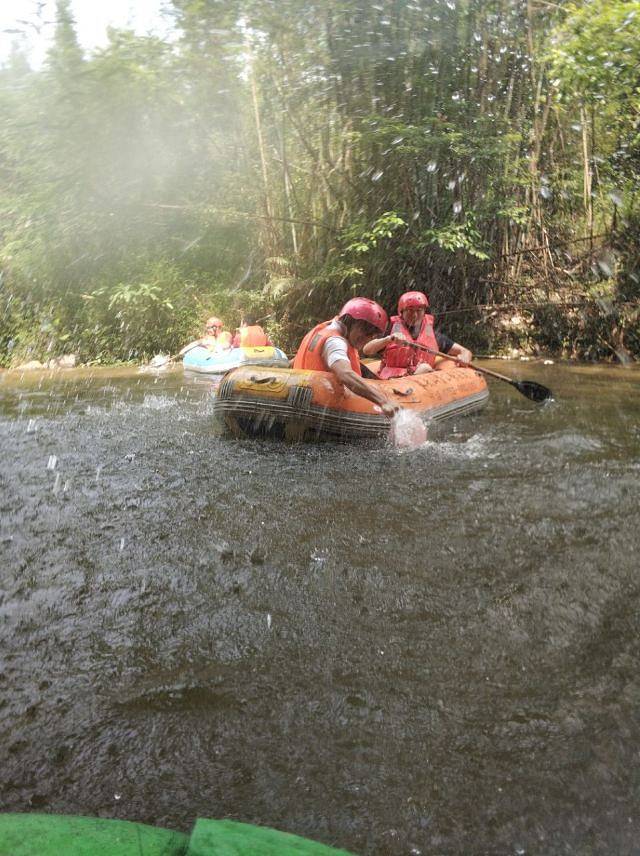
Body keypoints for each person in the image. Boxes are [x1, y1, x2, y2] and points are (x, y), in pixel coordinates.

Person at [293, 297, 398, 417]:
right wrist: (383, 401)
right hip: (319, 409)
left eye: (372, 335)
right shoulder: (335, 342)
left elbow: (296, 361)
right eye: (366, 330)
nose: (368, 337)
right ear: (350, 321)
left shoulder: (326, 328)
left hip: (305, 399)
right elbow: (345, 373)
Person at [362, 291, 472, 379]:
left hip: (418, 382)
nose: (414, 315)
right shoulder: (391, 331)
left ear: (424, 312)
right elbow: (366, 350)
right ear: (402, 312)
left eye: (419, 310)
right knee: (425, 368)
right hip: (391, 381)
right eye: (409, 310)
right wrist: (388, 339)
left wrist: (465, 357)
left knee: (425, 368)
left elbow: (464, 351)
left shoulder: (435, 337)